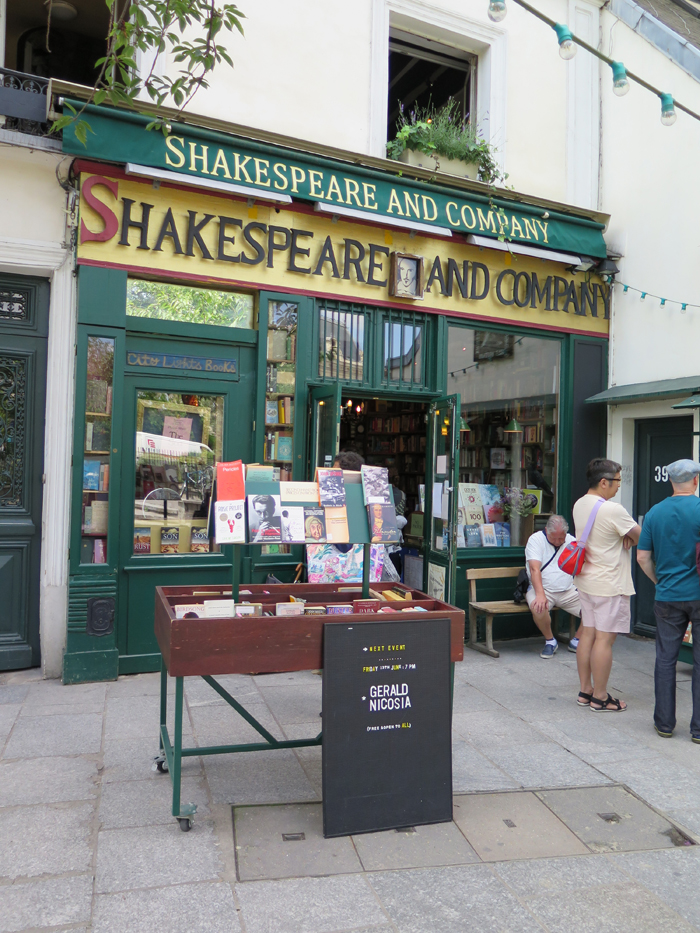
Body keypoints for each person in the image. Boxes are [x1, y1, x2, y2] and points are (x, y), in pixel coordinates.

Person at [637, 459, 700, 741]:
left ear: (670, 481)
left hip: (667, 596)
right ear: (696, 481)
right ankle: (698, 729)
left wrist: (659, 581)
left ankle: (664, 724)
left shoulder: (654, 513)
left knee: (665, 660)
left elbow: (642, 558)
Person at [573, 458, 641, 711]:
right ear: (604, 482)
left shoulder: (581, 504)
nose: (618, 487)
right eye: (617, 481)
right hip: (609, 582)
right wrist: (628, 537)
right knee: (604, 640)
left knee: (587, 634)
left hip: (586, 580)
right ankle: (600, 696)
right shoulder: (613, 509)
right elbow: (640, 536)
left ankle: (585, 690)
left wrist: (624, 536)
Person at [525, 515, 582, 658]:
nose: (558, 542)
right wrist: (540, 594)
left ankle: (577, 640)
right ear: (546, 531)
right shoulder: (536, 540)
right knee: (538, 608)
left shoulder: (571, 540)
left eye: (561, 538)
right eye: (554, 538)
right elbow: (534, 569)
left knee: (595, 607)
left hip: (568, 590)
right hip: (543, 588)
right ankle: (550, 641)